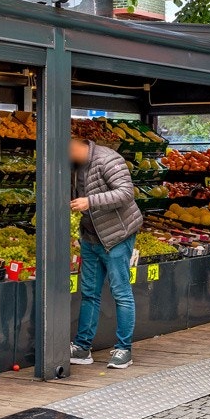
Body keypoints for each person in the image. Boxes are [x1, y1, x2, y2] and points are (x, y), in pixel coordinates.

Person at [70, 135, 144, 370]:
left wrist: (90, 201)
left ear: (78, 146)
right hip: (91, 237)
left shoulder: (108, 159)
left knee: (121, 292)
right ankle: (82, 347)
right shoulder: (74, 166)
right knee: (89, 292)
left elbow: (125, 192)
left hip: (117, 236)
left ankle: (124, 349)